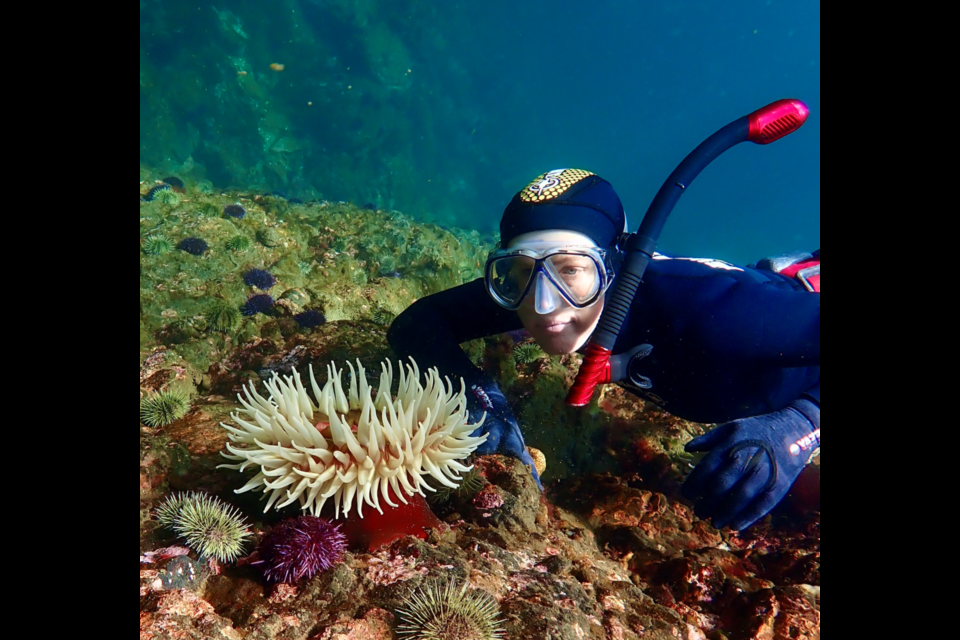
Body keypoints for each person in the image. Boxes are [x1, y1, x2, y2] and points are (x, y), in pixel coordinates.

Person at [388, 169, 820, 531]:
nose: (543, 304)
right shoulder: (540, 288)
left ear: (612, 265)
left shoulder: (715, 313)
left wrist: (800, 423)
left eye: (572, 269)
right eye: (518, 271)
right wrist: (481, 396)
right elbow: (419, 323)